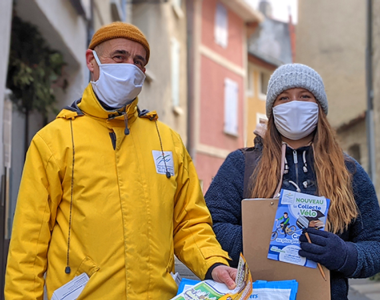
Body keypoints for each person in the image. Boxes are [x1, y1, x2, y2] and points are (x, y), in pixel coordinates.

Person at [5, 22, 237, 300]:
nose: (130, 67)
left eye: (138, 61)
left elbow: (189, 223)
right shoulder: (54, 141)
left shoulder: (168, 142)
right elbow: (29, 247)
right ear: (92, 61)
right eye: (119, 56)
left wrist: (214, 263)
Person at [205, 63, 380, 299]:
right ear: (272, 109)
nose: (294, 104)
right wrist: (261, 242)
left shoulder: (349, 172)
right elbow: (210, 226)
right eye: (284, 98)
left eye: (305, 96)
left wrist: (344, 254)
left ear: (319, 108)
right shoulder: (241, 164)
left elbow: (378, 246)